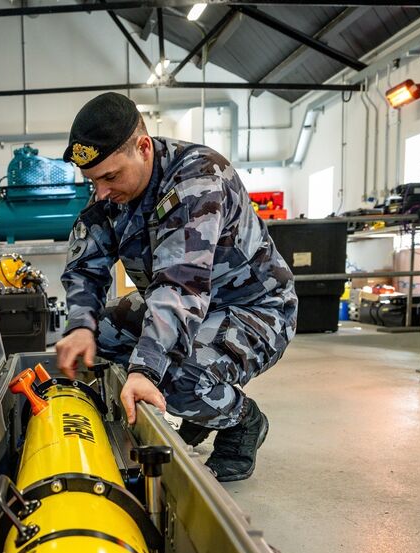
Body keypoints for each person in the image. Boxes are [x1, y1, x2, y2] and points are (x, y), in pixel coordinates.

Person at [56, 92, 297, 481]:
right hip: (188, 307)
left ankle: (241, 422)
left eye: (110, 177)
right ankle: (199, 408)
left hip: (254, 309)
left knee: (177, 374)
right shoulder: (112, 192)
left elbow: (180, 288)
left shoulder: (197, 179)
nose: (100, 192)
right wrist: (81, 326)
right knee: (99, 336)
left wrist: (145, 371)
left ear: (144, 148)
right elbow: (86, 267)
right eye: (93, 181)